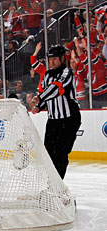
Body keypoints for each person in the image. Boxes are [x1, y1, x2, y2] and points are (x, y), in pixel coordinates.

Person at [29, 45, 81, 179]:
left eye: (55, 59)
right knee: (48, 154)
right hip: (53, 120)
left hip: (69, 119)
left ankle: (58, 186)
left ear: (62, 59)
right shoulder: (47, 75)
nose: (51, 62)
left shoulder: (67, 72)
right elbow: (48, 97)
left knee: (60, 153)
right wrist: (39, 107)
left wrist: (40, 98)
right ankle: (51, 184)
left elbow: (56, 89)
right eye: (50, 59)